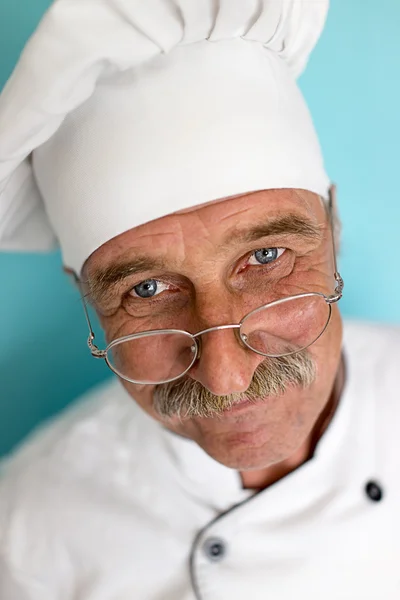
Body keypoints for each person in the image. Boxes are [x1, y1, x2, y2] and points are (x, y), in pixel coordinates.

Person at [0, 1, 399, 599]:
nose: (226, 378)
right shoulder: (28, 529)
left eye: (265, 258)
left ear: (333, 231)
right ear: (86, 298)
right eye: (147, 289)